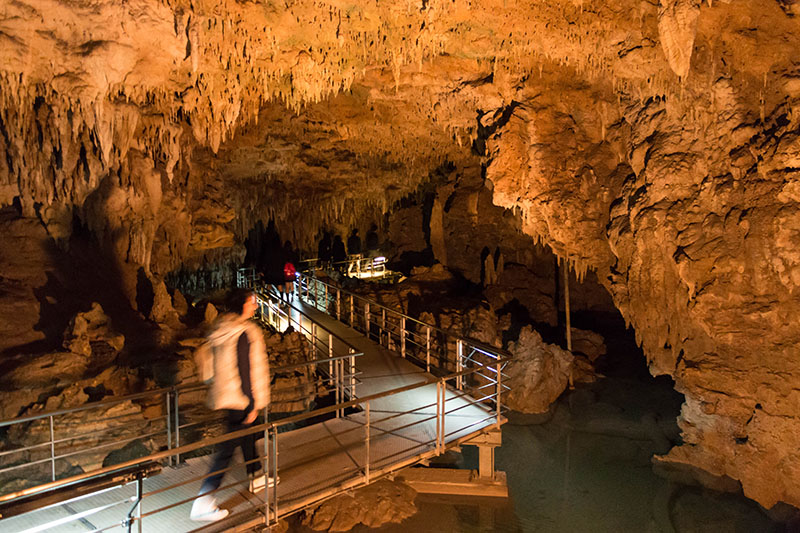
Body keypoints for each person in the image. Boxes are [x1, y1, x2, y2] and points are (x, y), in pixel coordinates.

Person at [190, 289, 274, 522]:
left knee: (248, 435)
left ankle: (255, 475)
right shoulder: (244, 332)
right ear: (243, 304)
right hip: (240, 397)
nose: (256, 306)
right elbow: (245, 370)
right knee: (226, 451)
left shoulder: (223, 327)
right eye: (253, 302)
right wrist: (252, 403)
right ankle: (203, 501)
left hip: (226, 394)